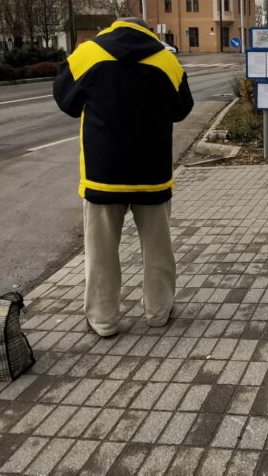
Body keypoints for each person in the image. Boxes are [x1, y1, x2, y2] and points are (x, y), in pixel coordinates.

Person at [53, 17, 193, 337]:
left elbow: (66, 100)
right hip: (153, 174)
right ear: (147, 29)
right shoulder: (166, 60)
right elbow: (182, 108)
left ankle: (104, 321)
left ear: (112, 28)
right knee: (158, 249)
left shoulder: (88, 54)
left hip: (103, 175)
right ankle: (158, 313)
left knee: (101, 252)